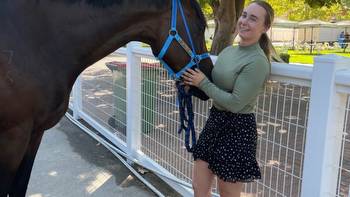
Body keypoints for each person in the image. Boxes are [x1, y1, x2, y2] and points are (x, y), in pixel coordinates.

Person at [182, 1, 276, 196]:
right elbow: (213, 87)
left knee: (227, 193)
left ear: (265, 27)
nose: (245, 21)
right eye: (244, 15)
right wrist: (193, 83)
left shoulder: (257, 61)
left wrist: (203, 83)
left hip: (238, 129)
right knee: (198, 188)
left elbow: (235, 103)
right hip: (215, 120)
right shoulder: (228, 51)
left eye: (253, 18)